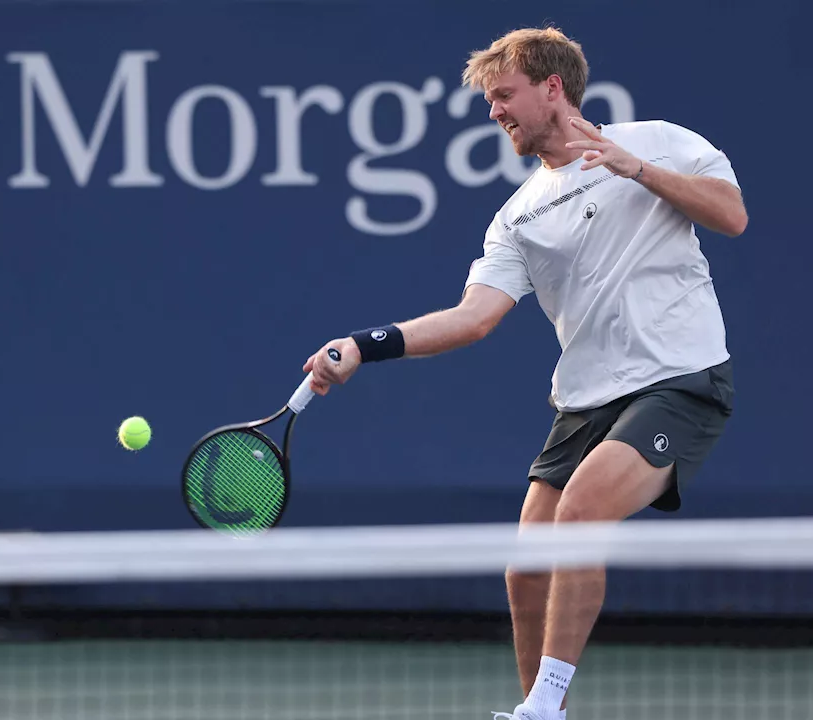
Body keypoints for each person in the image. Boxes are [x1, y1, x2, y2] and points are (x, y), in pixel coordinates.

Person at [300, 27, 745, 720]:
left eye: (504, 96)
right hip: (585, 401)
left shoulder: (658, 141)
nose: (494, 112)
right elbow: (473, 317)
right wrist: (365, 344)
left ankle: (541, 709)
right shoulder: (517, 216)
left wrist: (637, 170)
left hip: (679, 380)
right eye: (490, 100)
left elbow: (732, 215)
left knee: (581, 514)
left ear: (553, 89)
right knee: (526, 570)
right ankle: (546, 713)